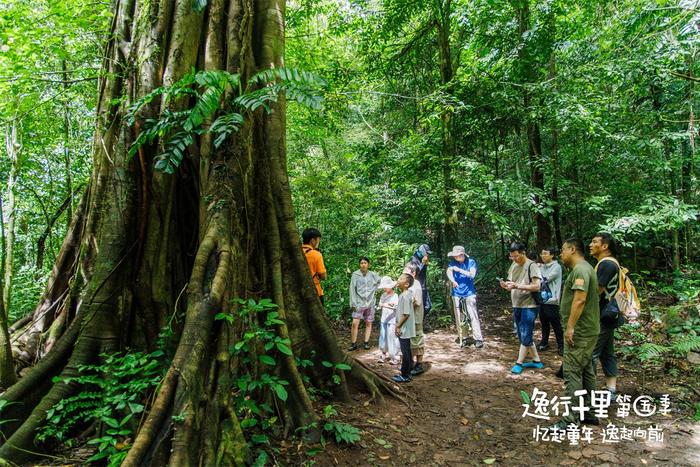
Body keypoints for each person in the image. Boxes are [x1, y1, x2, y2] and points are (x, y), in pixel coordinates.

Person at [550, 238, 600, 429]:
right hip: (587, 330)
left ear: (572, 250)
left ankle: (570, 419)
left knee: (571, 372)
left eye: (563, 250)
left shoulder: (580, 270)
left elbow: (579, 299)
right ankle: (589, 412)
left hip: (580, 331)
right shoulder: (586, 268)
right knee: (586, 370)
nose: (561, 254)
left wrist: (570, 327)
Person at [500, 242, 544, 374]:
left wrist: (517, 286)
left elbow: (537, 286)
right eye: (511, 257)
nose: (514, 259)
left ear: (523, 253)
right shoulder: (513, 265)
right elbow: (511, 284)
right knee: (522, 335)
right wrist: (506, 285)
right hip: (516, 304)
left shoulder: (532, 265)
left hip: (529, 305)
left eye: (516, 256)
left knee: (525, 334)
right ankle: (537, 361)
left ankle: (519, 363)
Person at [589, 232, 621, 401]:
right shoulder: (606, 263)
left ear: (604, 246)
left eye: (594, 242)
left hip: (603, 316)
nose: (590, 245)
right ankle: (611, 390)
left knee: (591, 354)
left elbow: (596, 292)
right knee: (607, 352)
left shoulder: (606, 264)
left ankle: (588, 393)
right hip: (609, 315)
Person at [446, 245, 483, 348]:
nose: (456, 258)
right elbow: (449, 271)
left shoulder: (471, 262)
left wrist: (459, 270)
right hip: (456, 294)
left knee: (472, 315)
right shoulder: (453, 263)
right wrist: (452, 280)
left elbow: (472, 275)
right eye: (455, 256)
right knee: (460, 316)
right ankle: (464, 337)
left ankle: (478, 338)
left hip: (469, 293)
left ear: (462, 255)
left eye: (458, 256)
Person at [348, 257, 381, 351]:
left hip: (370, 302)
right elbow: (352, 289)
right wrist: (353, 303)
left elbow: (380, 281)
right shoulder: (355, 274)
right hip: (358, 303)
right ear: (359, 264)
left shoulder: (372, 274)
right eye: (361, 263)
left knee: (368, 323)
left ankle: (366, 342)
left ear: (368, 264)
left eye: (365, 263)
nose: (363, 264)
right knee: (355, 323)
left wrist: (375, 289)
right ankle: (353, 343)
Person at [537, 246, 564, 355]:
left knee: (555, 323)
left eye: (545, 253)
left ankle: (561, 345)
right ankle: (544, 342)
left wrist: (538, 269)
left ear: (552, 255)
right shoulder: (542, 266)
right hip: (542, 299)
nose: (543, 256)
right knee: (544, 322)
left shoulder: (556, 267)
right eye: (542, 253)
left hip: (552, 300)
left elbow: (544, 279)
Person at [403, 263, 426, 375]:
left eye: (406, 272)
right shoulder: (409, 285)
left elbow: (417, 302)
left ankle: (419, 364)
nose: (403, 274)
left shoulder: (415, 285)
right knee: (411, 340)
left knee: (417, 339)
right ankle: (411, 362)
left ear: (413, 273)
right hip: (409, 318)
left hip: (415, 318)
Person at [393, 273, 416, 383]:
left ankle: (405, 374)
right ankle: (409, 371)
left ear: (406, 284)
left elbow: (406, 314)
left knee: (405, 351)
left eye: (401, 278)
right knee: (406, 350)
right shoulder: (405, 295)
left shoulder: (406, 295)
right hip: (404, 327)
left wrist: (398, 326)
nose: (398, 279)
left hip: (404, 328)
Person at [377, 276, 400, 364]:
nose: (385, 288)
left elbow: (396, 307)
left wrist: (385, 304)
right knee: (383, 337)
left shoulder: (395, 295)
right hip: (384, 319)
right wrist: (386, 304)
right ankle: (383, 354)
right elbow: (380, 304)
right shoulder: (383, 295)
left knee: (392, 337)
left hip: (392, 320)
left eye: (386, 286)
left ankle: (394, 356)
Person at [302, 228, 327, 305]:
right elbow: (323, 276)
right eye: (318, 239)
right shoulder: (316, 254)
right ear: (312, 240)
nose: (318, 242)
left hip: (299, 290)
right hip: (314, 290)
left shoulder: (297, 252)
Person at [409, 244, 432, 321]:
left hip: (423, 286)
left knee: (428, 306)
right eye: (427, 252)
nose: (427, 254)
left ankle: (420, 323)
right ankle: (415, 325)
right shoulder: (413, 259)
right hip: (416, 287)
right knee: (417, 306)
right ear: (422, 251)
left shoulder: (422, 258)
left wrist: (424, 264)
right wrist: (423, 263)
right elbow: (415, 273)